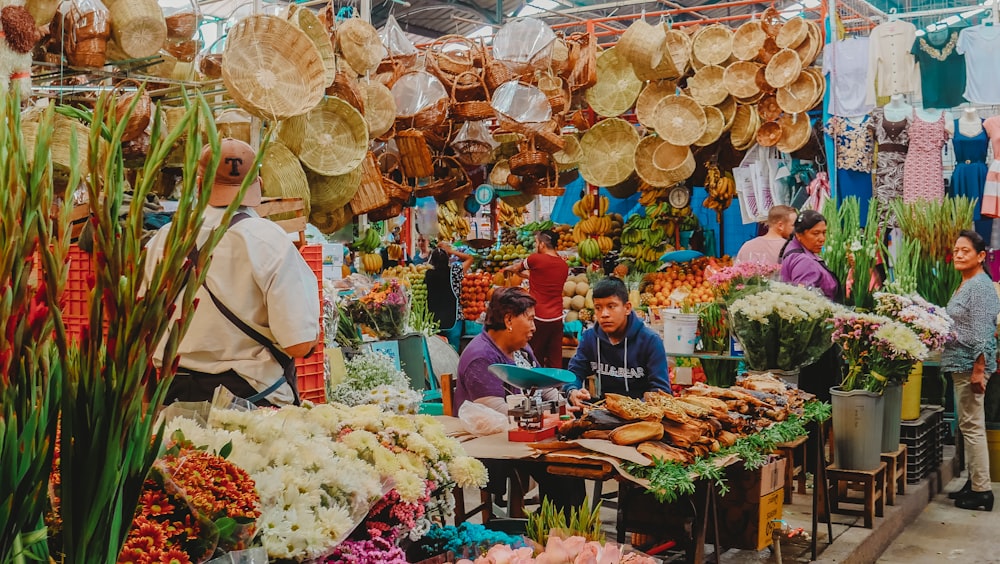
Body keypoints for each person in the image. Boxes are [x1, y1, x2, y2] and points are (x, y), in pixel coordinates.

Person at [145, 138, 321, 407]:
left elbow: (142, 324)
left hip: (174, 398)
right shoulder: (270, 241)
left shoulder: (164, 240)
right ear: (258, 186)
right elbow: (298, 344)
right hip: (250, 402)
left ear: (200, 184)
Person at [454, 287, 583, 512]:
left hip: (530, 433)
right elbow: (496, 412)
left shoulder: (521, 348)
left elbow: (543, 383)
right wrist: (548, 415)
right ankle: (550, 533)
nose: (534, 327)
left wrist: (565, 406)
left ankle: (557, 530)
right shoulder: (480, 357)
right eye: (530, 319)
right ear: (509, 320)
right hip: (497, 443)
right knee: (561, 472)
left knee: (571, 466)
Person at [942, 230, 1000, 511]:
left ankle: (982, 492)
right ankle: (974, 481)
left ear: (980, 256)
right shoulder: (967, 283)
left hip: (970, 366)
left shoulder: (980, 285)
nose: (959, 254)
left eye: (966, 250)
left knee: (973, 426)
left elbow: (984, 332)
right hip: (961, 364)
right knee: (968, 425)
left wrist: (979, 369)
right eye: (956, 250)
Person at [565, 277, 671, 407]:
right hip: (605, 410)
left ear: (627, 308)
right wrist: (572, 391)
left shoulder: (650, 341)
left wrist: (633, 409)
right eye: (598, 308)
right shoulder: (590, 338)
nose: (604, 314)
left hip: (643, 415)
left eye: (611, 306)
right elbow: (573, 373)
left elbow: (661, 391)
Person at [506, 229, 570, 369]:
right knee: (555, 359)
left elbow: (517, 268)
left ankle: (537, 389)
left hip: (538, 317)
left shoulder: (535, 259)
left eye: (536, 242)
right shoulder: (564, 265)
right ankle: (556, 389)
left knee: (535, 357)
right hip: (557, 318)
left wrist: (510, 269)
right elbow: (547, 280)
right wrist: (532, 276)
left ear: (542, 244)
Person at [779, 210, 842, 302]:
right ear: (799, 235)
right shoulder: (804, 261)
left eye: (824, 233)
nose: (822, 239)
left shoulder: (794, 250)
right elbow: (805, 301)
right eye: (815, 233)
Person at [426, 241, 473, 351]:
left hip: (434, 321)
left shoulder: (427, 274)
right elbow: (470, 258)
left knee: (437, 355)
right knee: (453, 353)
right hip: (454, 320)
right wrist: (451, 251)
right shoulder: (455, 272)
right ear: (448, 259)